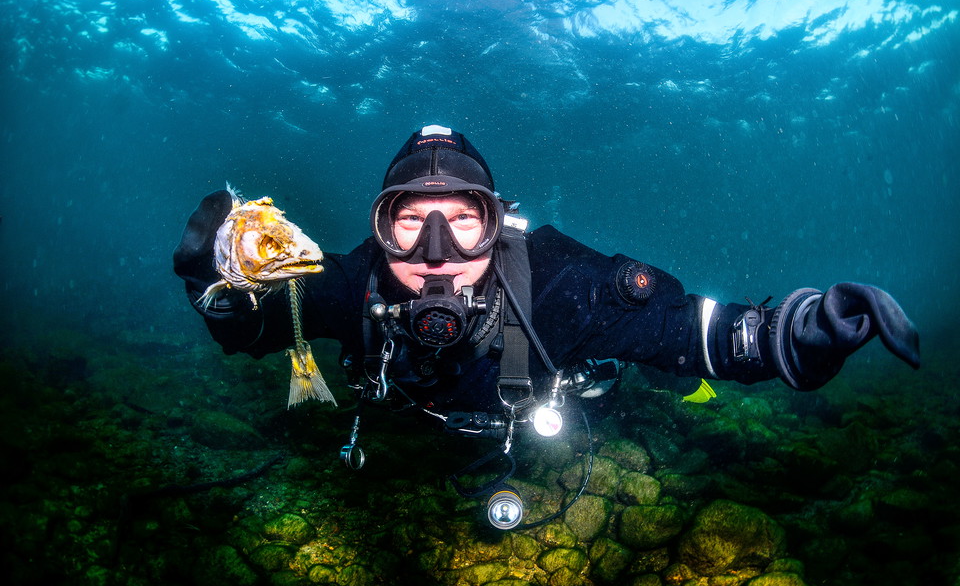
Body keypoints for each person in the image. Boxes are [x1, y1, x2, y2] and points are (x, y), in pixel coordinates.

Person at [174, 125, 920, 525]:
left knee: (639, 381)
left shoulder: (561, 285)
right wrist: (219, 287)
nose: (437, 256)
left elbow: (700, 333)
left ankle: (648, 395)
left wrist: (801, 332)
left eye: (465, 222)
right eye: (409, 225)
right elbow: (253, 330)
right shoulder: (350, 282)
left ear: (499, 227)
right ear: (380, 232)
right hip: (417, 425)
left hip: (544, 405)